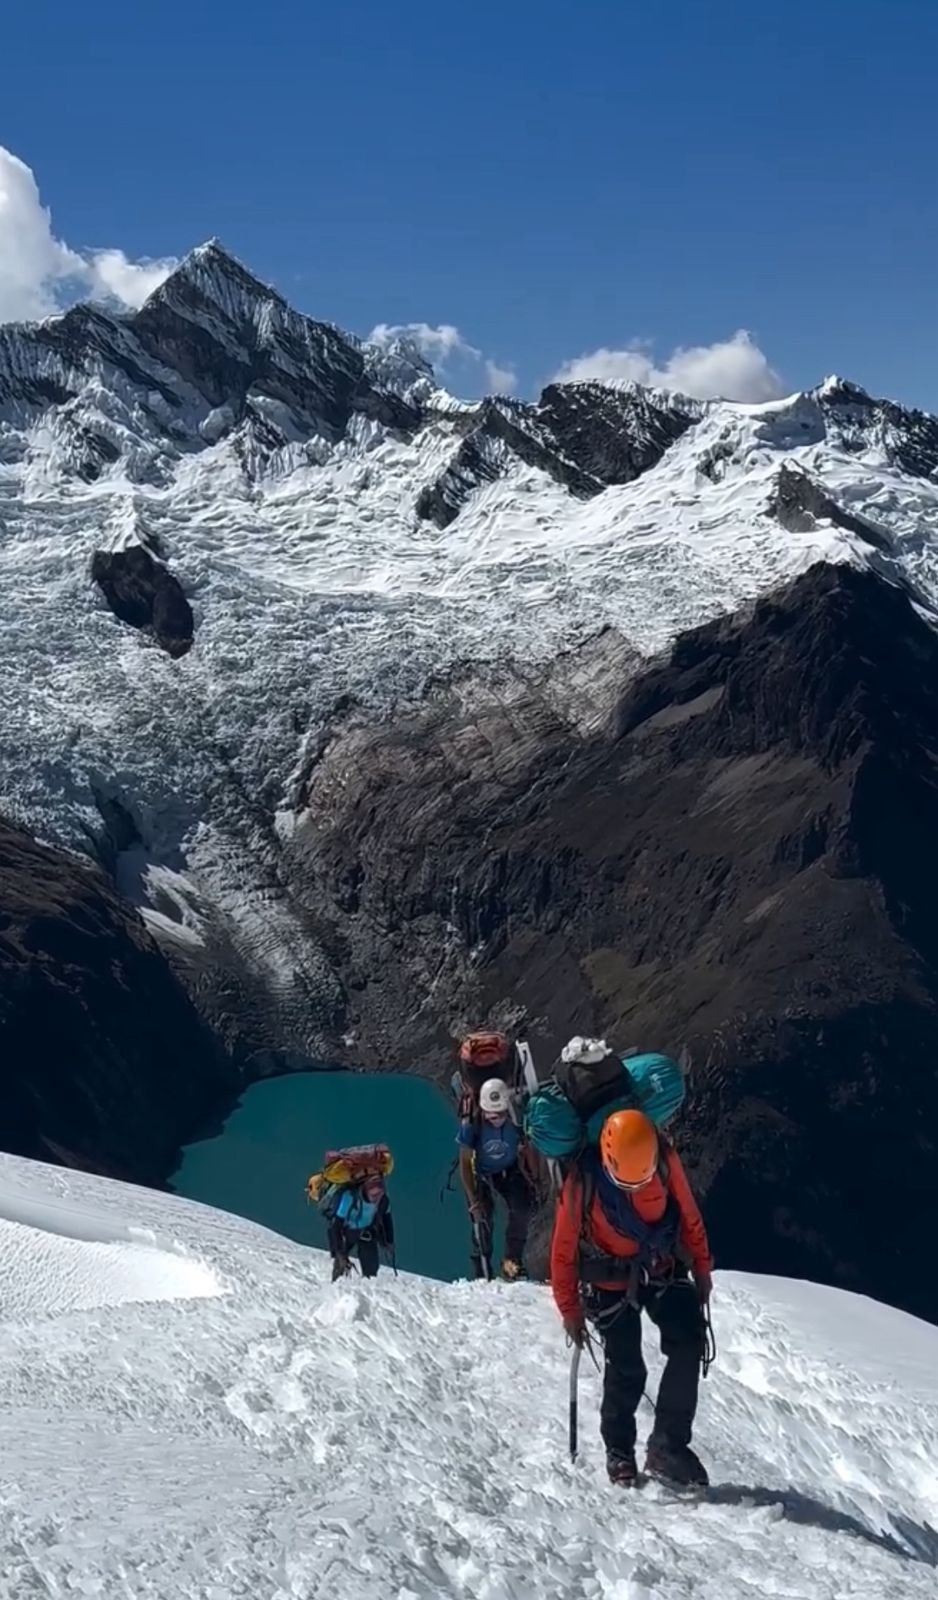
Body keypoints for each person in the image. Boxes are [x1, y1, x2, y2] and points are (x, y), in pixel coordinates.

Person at [550, 1107, 713, 1487]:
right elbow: (563, 1250)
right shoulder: (582, 1180)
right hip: (614, 1279)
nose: (636, 1188)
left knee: (688, 1340)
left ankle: (667, 1446)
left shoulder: (663, 1160)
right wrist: (569, 1309)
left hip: (656, 1267)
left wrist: (702, 1268)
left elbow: (690, 1215)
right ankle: (620, 1451)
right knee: (627, 1366)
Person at [457, 1077, 534, 1281]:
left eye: (500, 1114)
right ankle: (481, 1272)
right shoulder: (471, 1125)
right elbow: (464, 1164)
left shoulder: (517, 1118)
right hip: (482, 1175)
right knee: (482, 1220)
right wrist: (473, 1201)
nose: (496, 1118)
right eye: (491, 1115)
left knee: (522, 1210)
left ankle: (511, 1263)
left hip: (510, 1170)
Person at [327, 1172, 395, 1281]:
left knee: (371, 1270)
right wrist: (339, 1252)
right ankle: (337, 1280)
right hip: (346, 1233)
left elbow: (387, 1219)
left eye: (379, 1195)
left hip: (366, 1232)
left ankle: (365, 1282)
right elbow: (336, 1226)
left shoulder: (383, 1201)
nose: (376, 1199)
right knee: (341, 1264)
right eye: (373, 1195)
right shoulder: (349, 1197)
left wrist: (389, 1240)